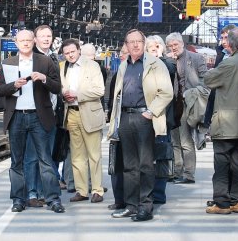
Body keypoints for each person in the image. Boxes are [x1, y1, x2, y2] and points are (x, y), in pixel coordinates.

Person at [107, 29, 173, 222]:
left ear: (144, 44)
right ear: (126, 45)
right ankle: (131, 205)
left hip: (145, 119)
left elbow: (166, 92)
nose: (135, 45)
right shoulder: (123, 65)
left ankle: (145, 207)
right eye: (131, 42)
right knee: (129, 166)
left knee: (145, 164)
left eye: (138, 41)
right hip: (125, 117)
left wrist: (151, 112)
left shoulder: (155, 64)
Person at [0, 29, 65, 213]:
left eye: (28, 40)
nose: (25, 43)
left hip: (38, 116)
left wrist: (44, 79)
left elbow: (57, 87)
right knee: (16, 161)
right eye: (22, 41)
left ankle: (53, 199)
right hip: (16, 117)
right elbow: (0, 90)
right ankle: (19, 199)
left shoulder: (45, 61)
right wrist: (13, 85)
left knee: (45, 159)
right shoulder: (8, 63)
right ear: (16, 43)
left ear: (34, 42)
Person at [203, 28, 238, 215]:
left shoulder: (229, 64)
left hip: (226, 123)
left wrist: (218, 60)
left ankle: (221, 203)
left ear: (232, 44)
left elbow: (208, 80)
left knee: (221, 163)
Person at [60, 38, 106, 203]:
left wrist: (77, 95)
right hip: (71, 114)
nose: (70, 55)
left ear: (79, 50)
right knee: (77, 155)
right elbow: (61, 87)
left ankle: (97, 190)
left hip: (89, 114)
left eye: (73, 51)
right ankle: (81, 190)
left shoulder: (92, 66)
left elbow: (99, 90)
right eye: (67, 53)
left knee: (94, 154)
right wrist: (64, 95)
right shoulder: (63, 67)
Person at [23, 25, 61, 208]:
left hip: (51, 114)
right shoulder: (30, 58)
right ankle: (32, 193)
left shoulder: (53, 57)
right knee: (32, 156)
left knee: (47, 156)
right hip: (34, 114)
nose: (46, 39)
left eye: (49, 36)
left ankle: (44, 192)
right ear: (35, 39)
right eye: (42, 36)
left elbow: (57, 86)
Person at [165, 32, 207, 184]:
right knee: (174, 140)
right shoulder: (166, 61)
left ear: (182, 44)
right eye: (170, 46)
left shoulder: (196, 58)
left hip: (187, 103)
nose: (173, 48)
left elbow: (205, 80)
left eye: (175, 44)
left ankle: (189, 174)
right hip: (171, 104)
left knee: (185, 141)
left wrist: (193, 94)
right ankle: (177, 171)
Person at [145, 34, 177, 205]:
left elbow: (171, 70)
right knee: (146, 156)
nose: (154, 49)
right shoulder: (142, 65)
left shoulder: (168, 63)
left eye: (158, 46)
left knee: (161, 156)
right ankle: (146, 191)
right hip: (144, 117)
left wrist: (159, 56)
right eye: (151, 47)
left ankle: (159, 193)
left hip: (163, 118)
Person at [106, 44, 128, 210]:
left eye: (125, 52)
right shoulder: (116, 74)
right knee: (115, 164)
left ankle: (131, 199)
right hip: (118, 124)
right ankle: (119, 199)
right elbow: (112, 101)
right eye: (121, 52)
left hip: (134, 122)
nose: (121, 55)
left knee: (132, 165)